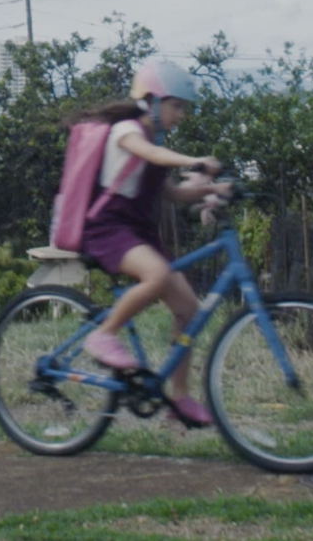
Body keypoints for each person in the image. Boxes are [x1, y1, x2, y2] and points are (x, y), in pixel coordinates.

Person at [74, 58, 231, 426]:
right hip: (107, 229)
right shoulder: (126, 131)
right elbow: (151, 155)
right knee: (157, 275)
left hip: (139, 233)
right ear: (151, 100)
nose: (181, 114)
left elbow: (171, 194)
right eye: (176, 105)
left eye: (184, 107)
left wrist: (211, 191)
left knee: (188, 309)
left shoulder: (156, 139)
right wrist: (195, 160)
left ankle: (179, 401)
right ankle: (104, 335)